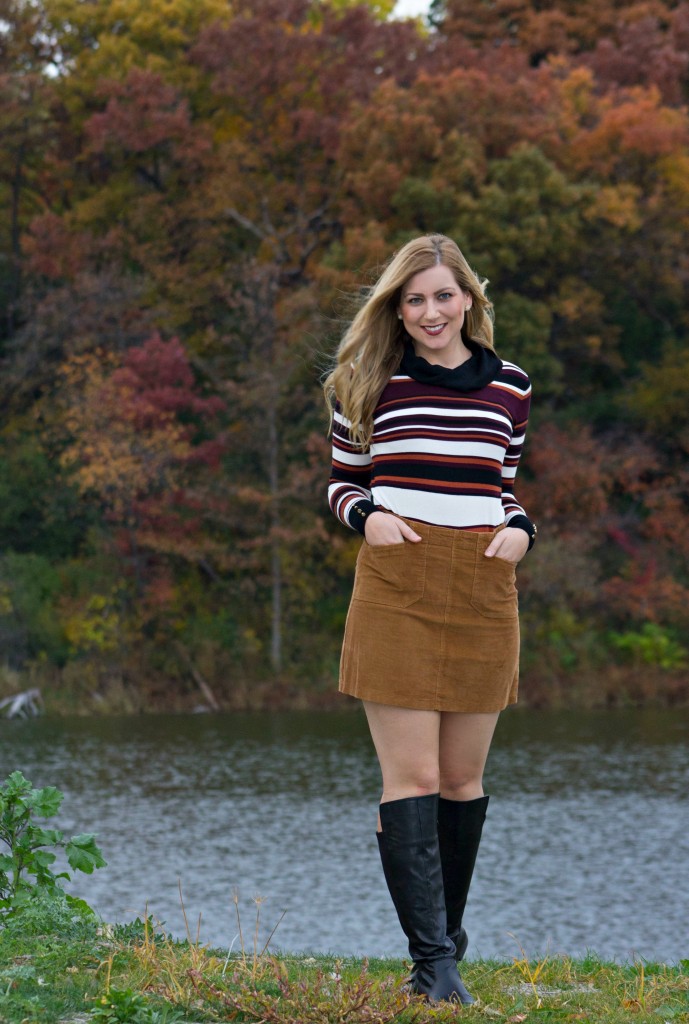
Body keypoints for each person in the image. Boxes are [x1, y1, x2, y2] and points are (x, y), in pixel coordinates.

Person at [323, 234, 536, 1004]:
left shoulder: (511, 386)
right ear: (396, 308)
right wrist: (367, 517)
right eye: (413, 299)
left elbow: (500, 486)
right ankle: (435, 966)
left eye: (442, 295)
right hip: (397, 581)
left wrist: (522, 531)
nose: (429, 311)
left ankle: (441, 951)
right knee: (410, 776)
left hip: (481, 584)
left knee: (462, 779)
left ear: (469, 298)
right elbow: (342, 482)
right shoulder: (366, 379)